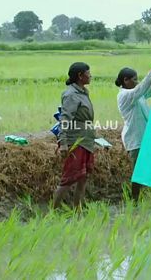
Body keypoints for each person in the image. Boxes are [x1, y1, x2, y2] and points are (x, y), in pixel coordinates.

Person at [115, 61, 151, 201]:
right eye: (134, 79)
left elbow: (149, 90)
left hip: (144, 136)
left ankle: (143, 196)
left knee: (146, 168)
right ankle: (135, 199)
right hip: (135, 138)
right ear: (125, 81)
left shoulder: (136, 94)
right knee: (138, 171)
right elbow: (141, 89)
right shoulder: (124, 95)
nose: (137, 82)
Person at [53, 62, 97, 209]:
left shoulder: (83, 92)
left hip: (86, 140)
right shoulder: (71, 94)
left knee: (83, 176)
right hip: (76, 141)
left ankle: (77, 208)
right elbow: (65, 120)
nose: (90, 75)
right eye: (88, 73)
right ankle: (54, 210)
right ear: (80, 76)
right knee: (68, 178)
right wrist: (63, 142)